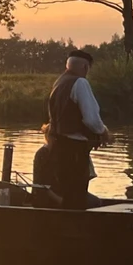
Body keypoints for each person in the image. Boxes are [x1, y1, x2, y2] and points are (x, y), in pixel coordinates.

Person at [48, 50, 111, 209]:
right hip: (74, 149)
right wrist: (103, 132)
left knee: (68, 191)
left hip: (58, 144)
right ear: (85, 67)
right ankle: (76, 222)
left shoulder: (59, 82)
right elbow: (91, 119)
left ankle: (66, 220)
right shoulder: (80, 83)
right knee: (77, 194)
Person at [33, 124, 102, 209]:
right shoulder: (43, 154)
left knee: (96, 202)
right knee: (94, 202)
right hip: (51, 196)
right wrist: (61, 200)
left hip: (66, 193)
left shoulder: (65, 153)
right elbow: (42, 185)